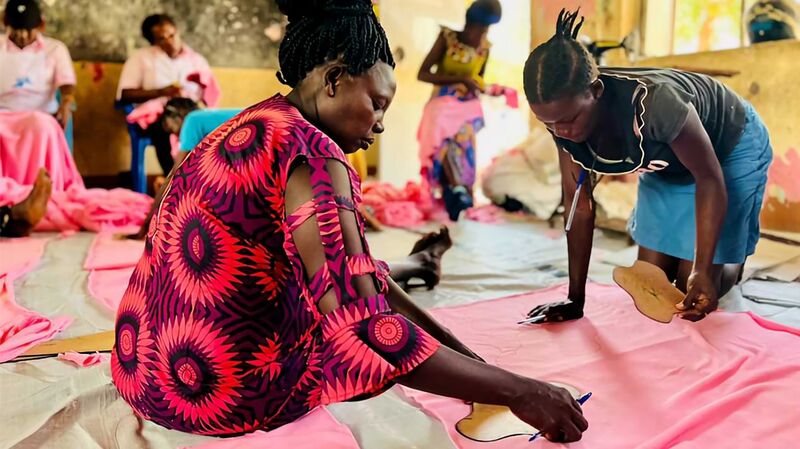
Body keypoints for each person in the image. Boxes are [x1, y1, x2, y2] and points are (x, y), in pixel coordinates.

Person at [110, 0, 587, 442]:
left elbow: (354, 283)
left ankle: (414, 266)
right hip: (216, 395)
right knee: (354, 333)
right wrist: (519, 391)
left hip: (143, 369)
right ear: (335, 79)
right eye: (377, 104)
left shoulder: (250, 122)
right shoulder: (314, 156)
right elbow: (364, 327)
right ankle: (414, 266)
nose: (379, 124)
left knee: (350, 275)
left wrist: (475, 367)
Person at [522, 9, 772, 324]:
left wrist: (703, 268)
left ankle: (732, 263)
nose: (561, 132)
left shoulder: (654, 104)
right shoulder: (561, 115)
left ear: (596, 92)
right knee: (651, 279)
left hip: (728, 146)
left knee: (696, 288)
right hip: (667, 161)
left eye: (569, 120)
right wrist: (575, 299)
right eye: (547, 122)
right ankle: (710, 259)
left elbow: (709, 178)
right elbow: (579, 205)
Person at [417, 0, 502, 220]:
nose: (482, 35)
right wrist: (460, 79)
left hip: (467, 108)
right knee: (442, 141)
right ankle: (453, 192)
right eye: (480, 29)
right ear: (469, 23)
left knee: (464, 149)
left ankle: (461, 193)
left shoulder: (485, 48)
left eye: (487, 30)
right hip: (441, 105)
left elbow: (479, 80)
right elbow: (423, 73)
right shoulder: (447, 38)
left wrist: (487, 89)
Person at [116, 14, 219, 175]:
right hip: (158, 116)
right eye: (161, 39)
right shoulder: (141, 59)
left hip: (190, 112)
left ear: (177, 31)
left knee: (212, 129)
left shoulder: (196, 60)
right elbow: (125, 95)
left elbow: (210, 98)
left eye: (171, 35)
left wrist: (203, 84)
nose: (169, 41)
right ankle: (175, 180)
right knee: (166, 127)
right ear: (153, 42)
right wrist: (162, 92)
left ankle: (206, 178)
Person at [0, 0, 76, 126]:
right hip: (3, 118)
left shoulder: (55, 49)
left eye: (29, 30)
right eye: (16, 30)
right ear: (4, 23)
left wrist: (66, 102)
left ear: (42, 25)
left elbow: (66, 83)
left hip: (43, 117)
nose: (23, 36)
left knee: (41, 126)